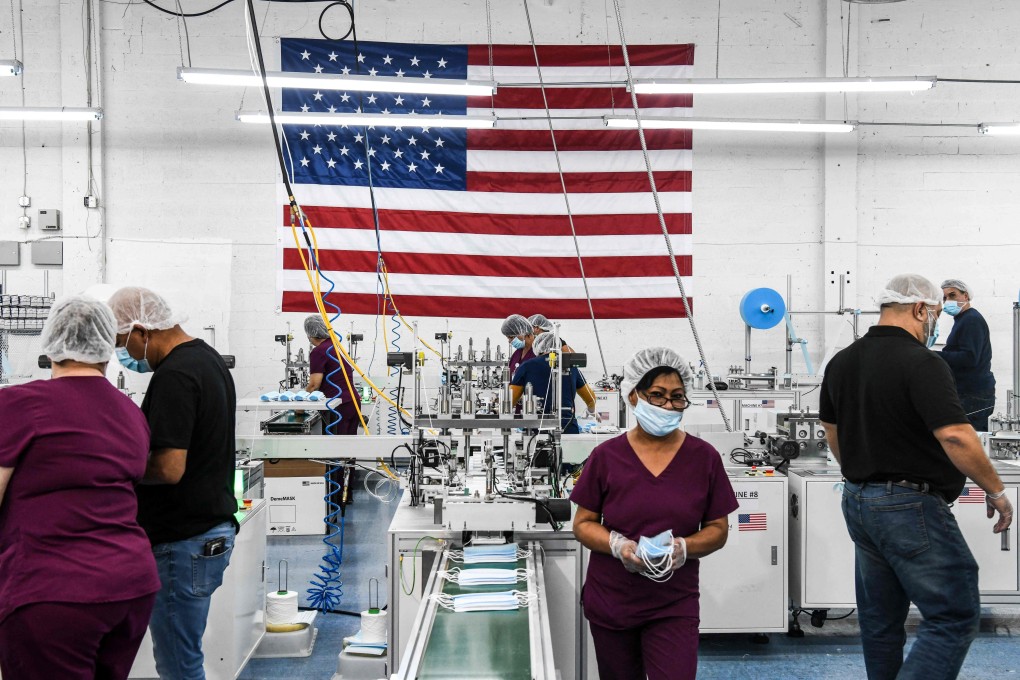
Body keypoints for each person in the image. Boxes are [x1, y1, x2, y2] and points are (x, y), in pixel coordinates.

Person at [819, 274, 1013, 680]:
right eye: (936, 314)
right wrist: (995, 491)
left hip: (858, 502)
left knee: (880, 623)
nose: (935, 325)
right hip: (910, 505)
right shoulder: (924, 363)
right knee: (955, 615)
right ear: (920, 310)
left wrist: (862, 474)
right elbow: (957, 435)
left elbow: (832, 432)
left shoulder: (842, 361)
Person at [0, 296, 160, 679]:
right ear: (109, 346)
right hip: (131, 587)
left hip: (53, 592)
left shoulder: (19, 405)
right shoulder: (131, 413)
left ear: (50, 342)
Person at [570, 348, 738, 680]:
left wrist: (683, 548)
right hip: (612, 600)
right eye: (657, 396)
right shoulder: (607, 456)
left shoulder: (703, 458)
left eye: (677, 397)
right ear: (633, 395)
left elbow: (718, 528)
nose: (668, 406)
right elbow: (583, 524)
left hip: (673, 603)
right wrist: (619, 545)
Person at [108, 286, 238, 680]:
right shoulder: (207, 360)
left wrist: (116, 468)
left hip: (182, 542)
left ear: (141, 331)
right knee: (184, 655)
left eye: (121, 342)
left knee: (179, 666)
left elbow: (169, 468)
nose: (122, 353)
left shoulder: (175, 375)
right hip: (204, 533)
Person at [511, 332, 596, 433]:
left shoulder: (527, 366)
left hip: (536, 430)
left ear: (537, 346)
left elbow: (510, 399)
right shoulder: (571, 367)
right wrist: (590, 411)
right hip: (568, 428)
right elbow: (591, 399)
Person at [940, 279, 996, 431]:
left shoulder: (971, 320)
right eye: (945, 298)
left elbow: (969, 358)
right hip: (970, 391)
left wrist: (936, 355)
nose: (948, 301)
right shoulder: (963, 319)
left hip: (974, 394)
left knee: (969, 438)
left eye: (952, 295)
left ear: (966, 296)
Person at [304, 314, 362, 435]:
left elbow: (314, 385)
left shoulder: (319, 351)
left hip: (338, 406)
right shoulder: (336, 346)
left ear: (310, 334)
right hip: (352, 402)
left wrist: (299, 406)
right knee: (349, 447)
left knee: (336, 448)